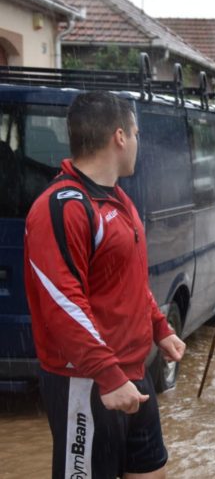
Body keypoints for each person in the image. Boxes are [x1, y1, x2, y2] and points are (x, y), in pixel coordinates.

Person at [23, 91, 185, 479]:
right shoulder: (60, 207)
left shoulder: (118, 201)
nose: (138, 142)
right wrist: (107, 375)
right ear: (119, 137)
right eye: (136, 133)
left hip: (133, 371)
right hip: (86, 380)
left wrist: (158, 328)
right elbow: (62, 303)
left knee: (152, 472)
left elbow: (128, 280)